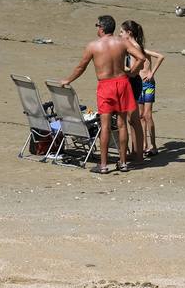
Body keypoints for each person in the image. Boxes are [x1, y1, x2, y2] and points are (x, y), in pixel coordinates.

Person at [60, 14, 146, 174]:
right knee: (122, 125)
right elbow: (141, 57)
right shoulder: (122, 42)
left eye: (97, 26)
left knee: (105, 125)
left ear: (101, 28)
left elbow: (81, 67)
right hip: (122, 83)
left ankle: (104, 165)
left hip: (106, 85)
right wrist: (132, 73)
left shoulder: (93, 46)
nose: (97, 29)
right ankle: (123, 163)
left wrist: (68, 80)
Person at [123, 20, 165, 157]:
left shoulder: (140, 49)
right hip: (139, 84)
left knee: (147, 115)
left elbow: (160, 56)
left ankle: (153, 145)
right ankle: (144, 145)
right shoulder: (131, 49)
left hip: (148, 84)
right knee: (140, 116)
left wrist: (152, 72)